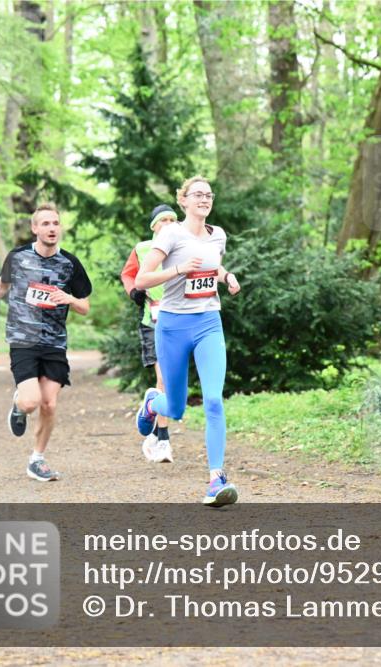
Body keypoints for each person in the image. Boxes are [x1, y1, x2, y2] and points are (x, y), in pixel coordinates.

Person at [133, 176, 240, 507]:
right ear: (183, 201)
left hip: (209, 322)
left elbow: (212, 266)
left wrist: (226, 276)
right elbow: (142, 279)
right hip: (173, 326)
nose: (204, 199)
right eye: (197, 195)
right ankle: (153, 404)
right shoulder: (170, 233)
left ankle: (215, 479)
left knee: (212, 401)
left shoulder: (217, 234)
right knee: (176, 408)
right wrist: (177, 269)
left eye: (209, 194)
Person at [0, 202, 92, 482]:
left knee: (50, 404)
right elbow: (2, 285)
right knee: (31, 402)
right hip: (23, 339)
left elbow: (85, 307)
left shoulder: (70, 263)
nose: (51, 228)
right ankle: (19, 406)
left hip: (54, 343)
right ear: (34, 228)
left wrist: (69, 299)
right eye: (45, 224)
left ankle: (37, 459)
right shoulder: (17, 257)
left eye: (55, 223)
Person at [120, 204, 178, 463]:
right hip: (152, 322)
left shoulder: (182, 247)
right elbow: (128, 274)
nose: (167, 223)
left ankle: (153, 423)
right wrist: (133, 291)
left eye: (172, 219)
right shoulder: (143, 249)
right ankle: (163, 438)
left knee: (168, 382)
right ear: (154, 226)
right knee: (163, 377)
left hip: (179, 320)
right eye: (162, 220)